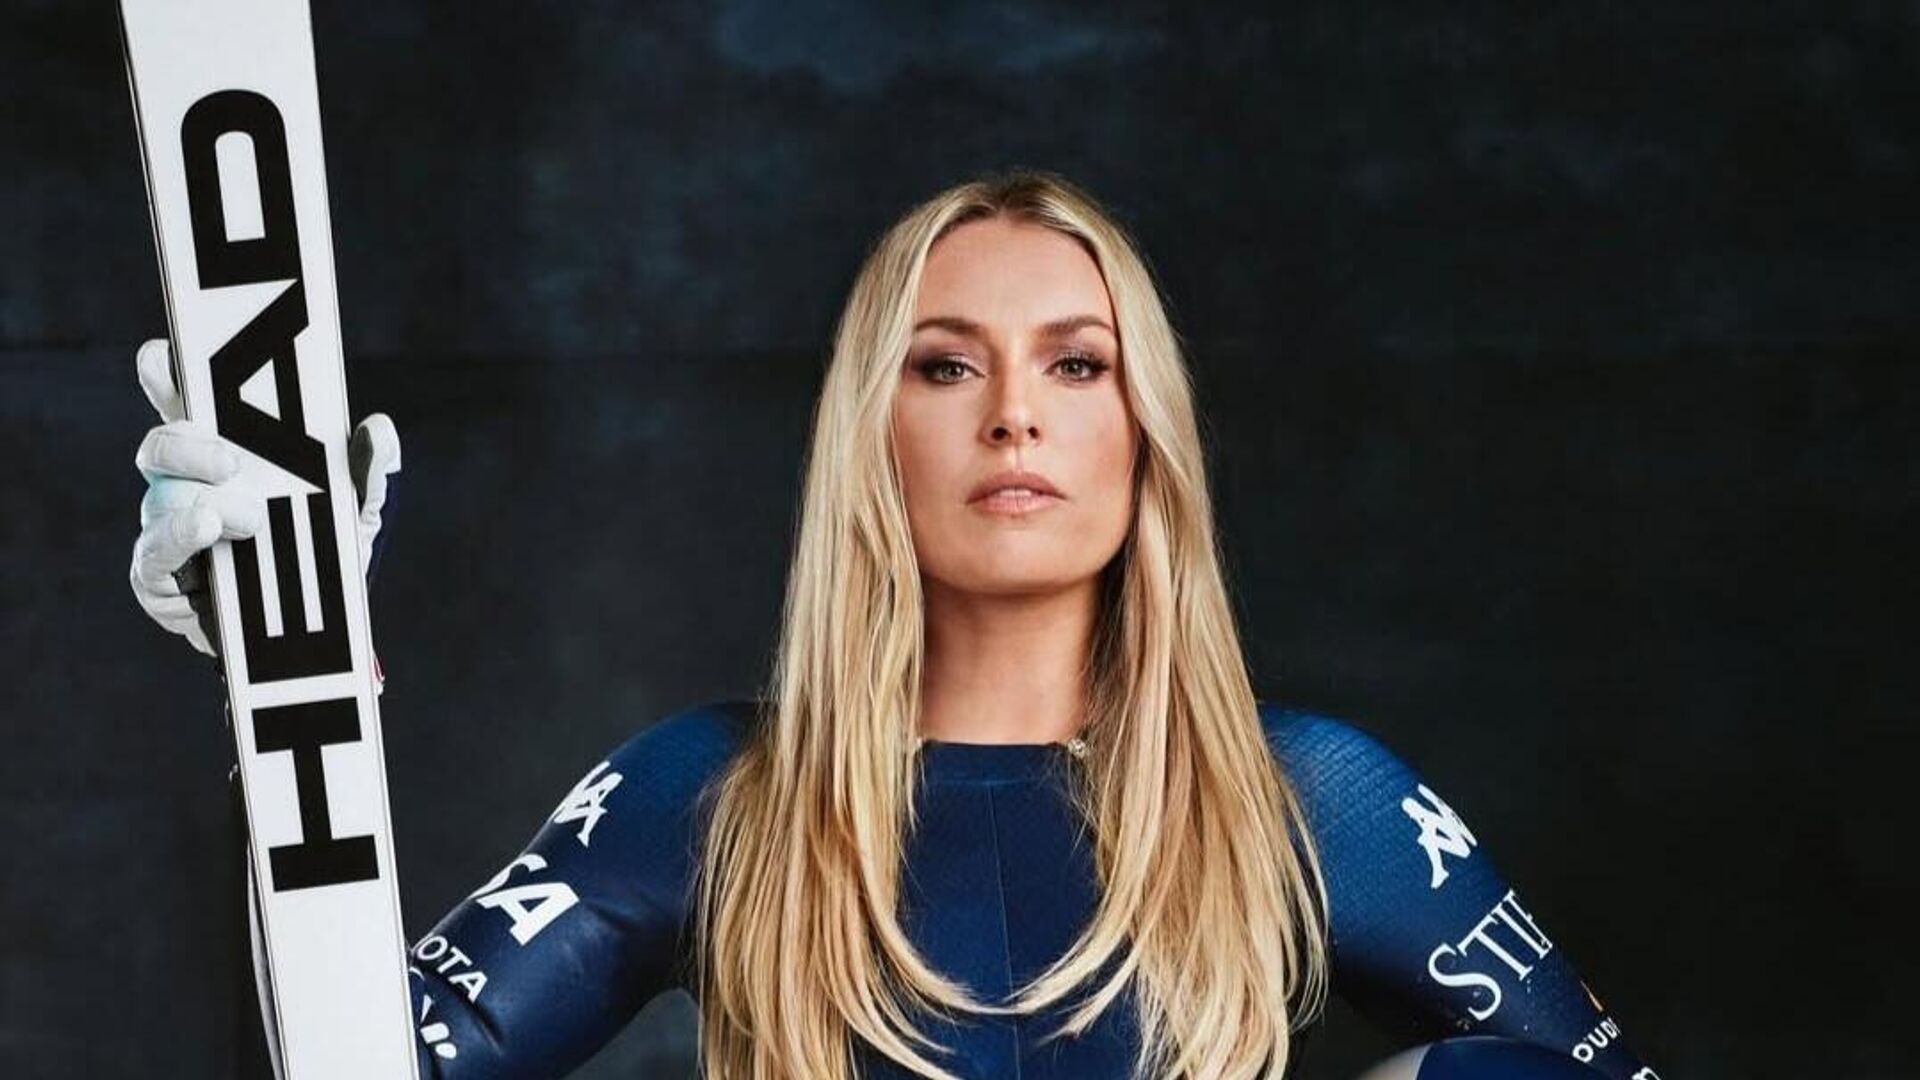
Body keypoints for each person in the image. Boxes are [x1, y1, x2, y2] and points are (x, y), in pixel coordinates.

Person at [130, 170, 1663, 1079]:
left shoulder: (1313, 803)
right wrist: (296, 688)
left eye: (1075, 364)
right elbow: (353, 1066)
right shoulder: (707, 797)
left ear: (1148, 429)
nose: (1014, 415)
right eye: (945, 365)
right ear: (874, 431)